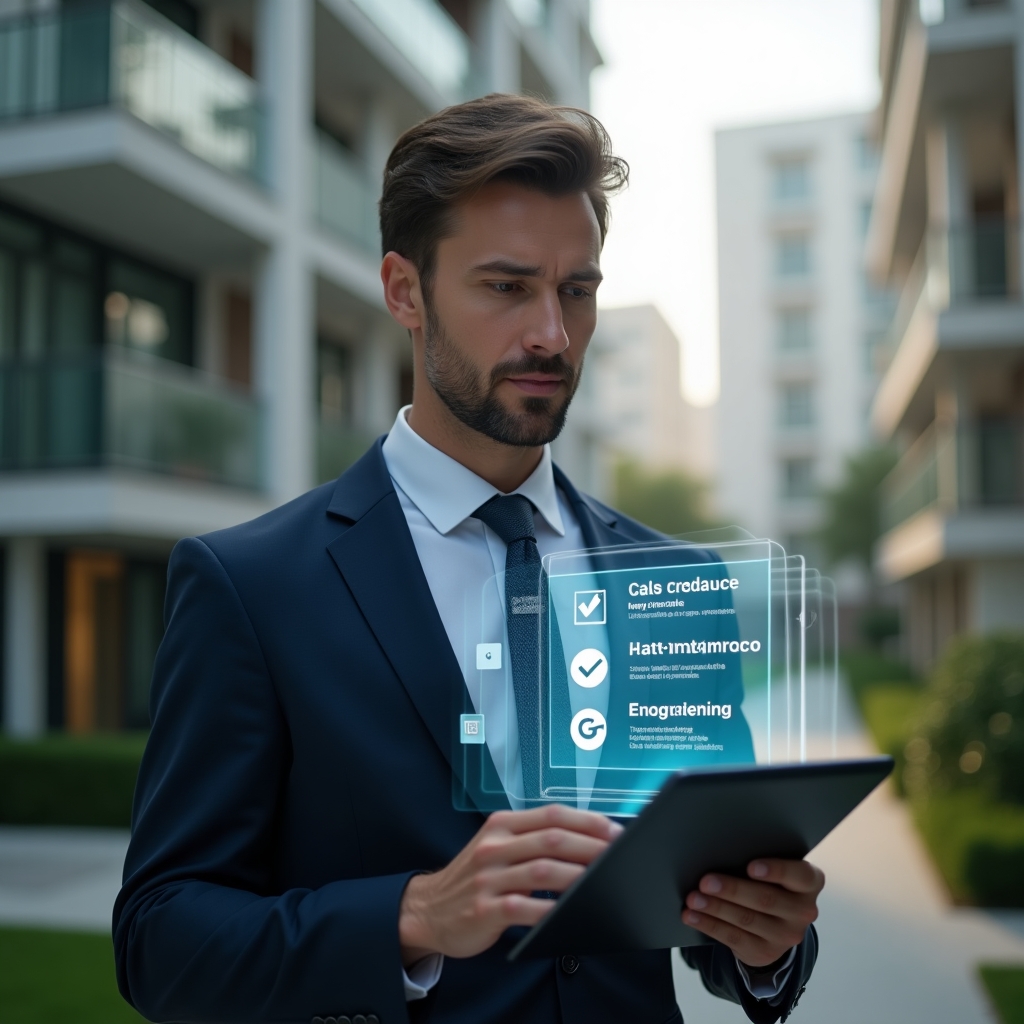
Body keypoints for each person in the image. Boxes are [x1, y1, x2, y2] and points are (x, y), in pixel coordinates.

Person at [113, 94, 822, 1024]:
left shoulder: (670, 583)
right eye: (506, 286)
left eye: (577, 290)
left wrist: (767, 945)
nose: (552, 335)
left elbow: (713, 906)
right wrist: (411, 916)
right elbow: (160, 938)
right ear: (405, 291)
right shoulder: (251, 586)